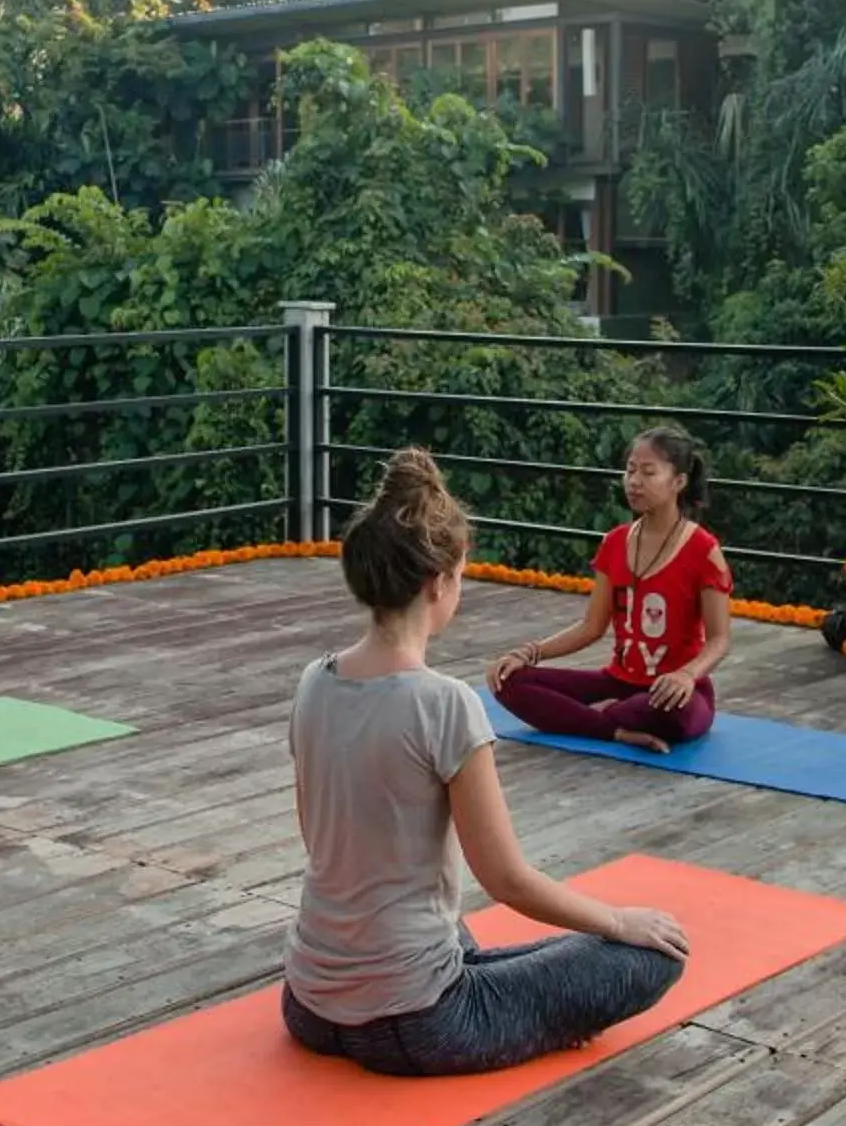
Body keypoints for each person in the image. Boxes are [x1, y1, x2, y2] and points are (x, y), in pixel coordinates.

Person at [281, 448, 689, 1076]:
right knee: (653, 953)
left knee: (455, 932)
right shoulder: (443, 703)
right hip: (415, 1022)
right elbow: (507, 881)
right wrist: (618, 920)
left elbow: (322, 841)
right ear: (438, 582)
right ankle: (544, 1009)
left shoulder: (314, 680)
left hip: (307, 1000)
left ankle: (523, 994)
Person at [490, 426, 733, 752]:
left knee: (676, 712)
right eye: (630, 470)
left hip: (674, 693)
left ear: (679, 482)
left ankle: (596, 717)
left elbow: (719, 639)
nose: (634, 481)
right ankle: (614, 728)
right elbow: (592, 627)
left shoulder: (703, 550)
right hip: (617, 683)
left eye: (648, 472)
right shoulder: (614, 542)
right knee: (507, 680)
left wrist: (687, 676)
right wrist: (529, 653)